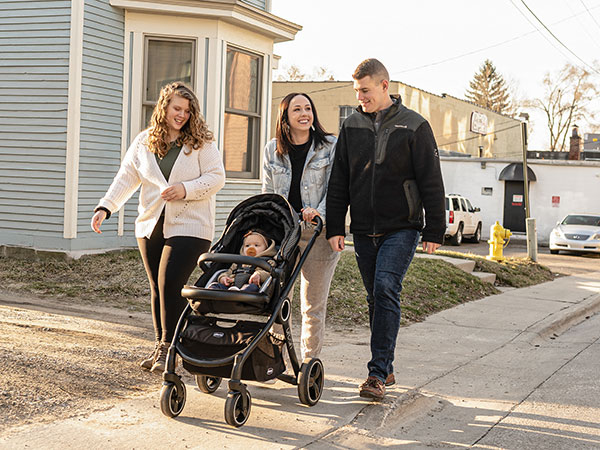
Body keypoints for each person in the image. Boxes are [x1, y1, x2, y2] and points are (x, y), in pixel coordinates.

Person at [326, 59, 445, 401]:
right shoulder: (351, 126)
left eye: (364, 90)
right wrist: (337, 225)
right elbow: (340, 181)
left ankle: (376, 373)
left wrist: (435, 229)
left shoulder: (414, 126)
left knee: (385, 287)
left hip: (402, 227)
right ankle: (387, 364)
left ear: (383, 85)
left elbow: (431, 180)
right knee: (374, 298)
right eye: (356, 91)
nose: (360, 97)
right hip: (364, 229)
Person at [91, 82, 225, 373]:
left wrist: (185, 189)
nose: (182, 115)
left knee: (170, 285)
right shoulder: (144, 141)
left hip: (191, 226)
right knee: (157, 289)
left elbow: (217, 177)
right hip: (151, 225)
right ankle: (162, 346)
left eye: (187, 111)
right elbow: (126, 177)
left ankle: (172, 348)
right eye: (177, 108)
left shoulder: (202, 142)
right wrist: (106, 207)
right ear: (164, 107)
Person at [262, 92, 340, 361]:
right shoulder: (272, 149)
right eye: (297, 109)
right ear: (285, 117)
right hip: (285, 233)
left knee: (312, 305)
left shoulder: (329, 145)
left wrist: (318, 213)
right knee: (277, 297)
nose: (305, 114)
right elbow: (269, 193)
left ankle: (309, 362)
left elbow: (337, 189)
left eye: (308, 108)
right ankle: (275, 359)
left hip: (318, 234)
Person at [208, 230, 276, 293]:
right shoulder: (238, 262)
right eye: (247, 245)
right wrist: (223, 278)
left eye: (256, 245)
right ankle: (208, 294)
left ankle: (238, 293)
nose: (251, 248)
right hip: (231, 288)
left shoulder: (268, 262)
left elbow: (270, 274)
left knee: (252, 287)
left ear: (266, 248)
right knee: (215, 285)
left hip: (250, 289)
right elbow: (228, 272)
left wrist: (259, 275)